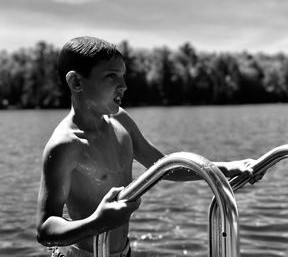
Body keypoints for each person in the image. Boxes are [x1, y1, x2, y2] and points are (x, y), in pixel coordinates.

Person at [36, 36, 257, 257]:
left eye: (123, 76)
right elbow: (46, 229)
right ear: (76, 82)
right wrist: (96, 222)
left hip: (123, 251)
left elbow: (162, 167)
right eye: (111, 76)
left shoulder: (120, 121)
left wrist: (227, 168)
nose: (123, 85)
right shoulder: (65, 145)